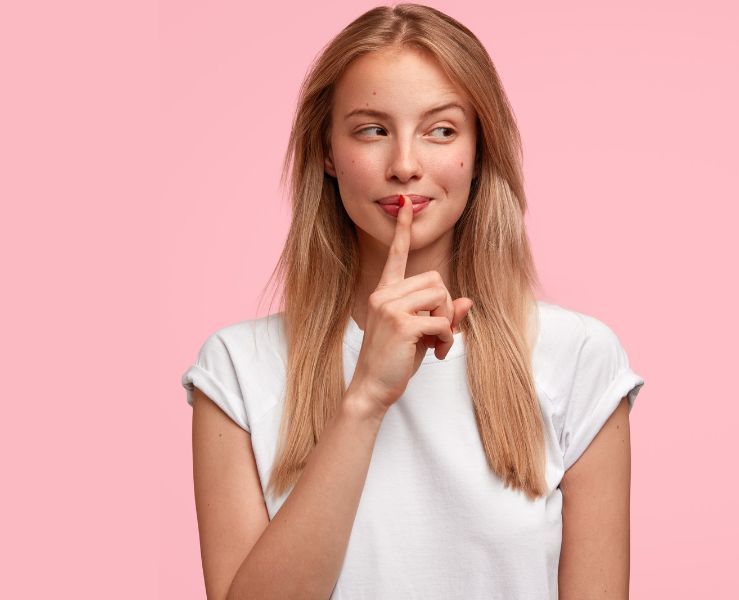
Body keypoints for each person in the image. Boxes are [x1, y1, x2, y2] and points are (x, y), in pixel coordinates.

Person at [181, 3, 645, 598]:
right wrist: (366, 398)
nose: (404, 165)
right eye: (371, 130)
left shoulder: (579, 357)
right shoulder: (236, 369)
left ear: (479, 152)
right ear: (326, 151)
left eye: (441, 130)